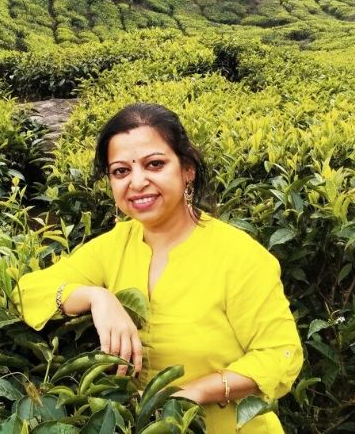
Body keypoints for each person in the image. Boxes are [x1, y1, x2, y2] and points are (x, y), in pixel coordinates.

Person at [18, 102, 303, 433]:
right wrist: (96, 297)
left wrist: (194, 392)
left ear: (187, 169)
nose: (137, 182)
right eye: (121, 171)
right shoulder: (115, 246)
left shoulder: (240, 256)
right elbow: (26, 292)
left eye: (154, 164)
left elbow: (280, 353)